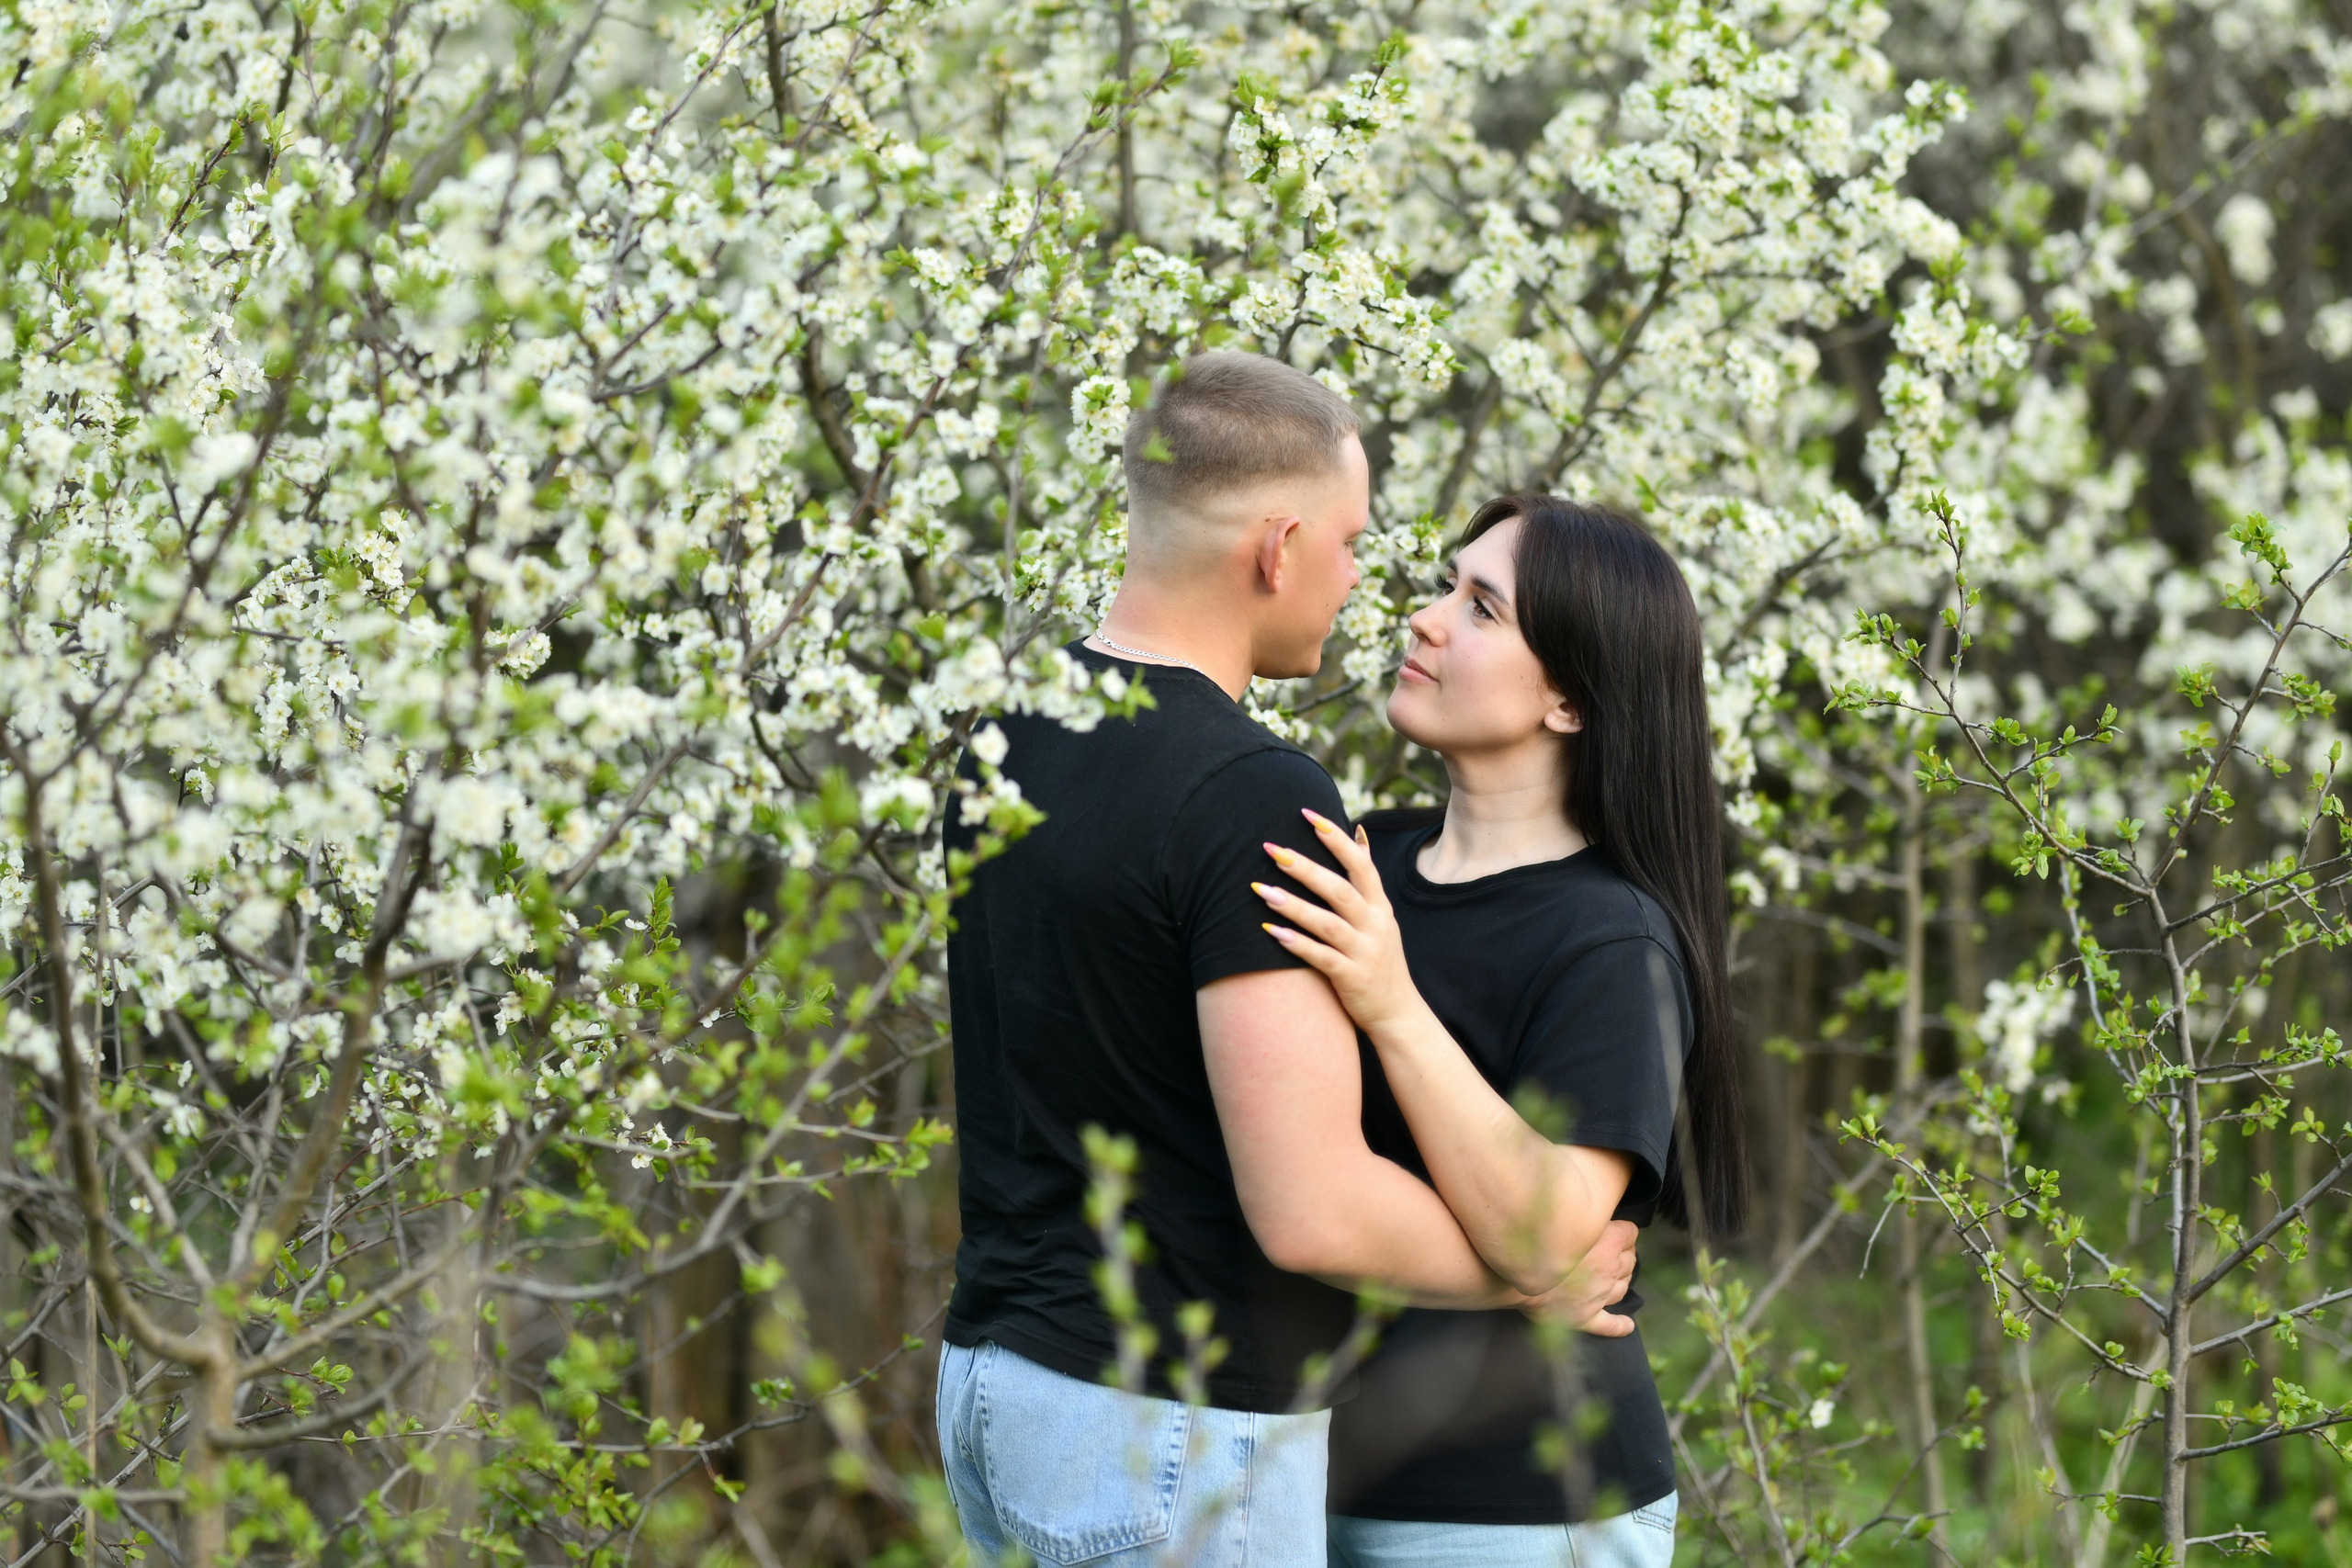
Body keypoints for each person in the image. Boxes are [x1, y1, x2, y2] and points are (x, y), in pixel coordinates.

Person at [935, 360, 1642, 1567]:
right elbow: (1310, 1208)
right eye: (1353, 542)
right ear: (1278, 548)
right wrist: (1527, 1274)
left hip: (992, 1386)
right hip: (1170, 1430)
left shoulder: (1006, 733)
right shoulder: (1250, 792)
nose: (1362, 580)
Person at [1252, 493, 1747, 1568]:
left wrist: (1391, 1003)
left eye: (1482, 608)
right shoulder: (1356, 865)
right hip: (1289, 1482)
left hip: (1519, 1511)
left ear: (1568, 698)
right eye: (1446, 587)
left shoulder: (1612, 940)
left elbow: (1546, 1233)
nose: (1426, 620)